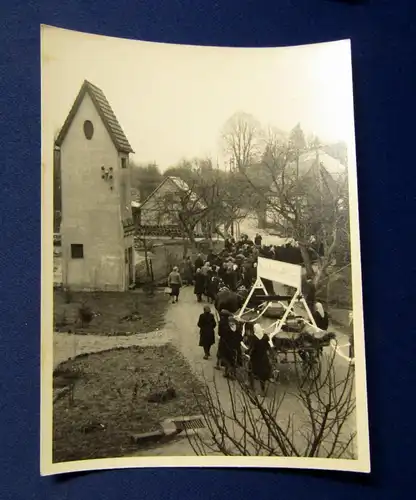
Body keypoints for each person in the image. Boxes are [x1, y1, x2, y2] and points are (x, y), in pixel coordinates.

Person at [247, 323, 272, 396]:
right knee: (262, 375)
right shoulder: (265, 338)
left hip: (255, 358)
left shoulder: (254, 338)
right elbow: (268, 347)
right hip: (264, 358)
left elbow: (252, 348)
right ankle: (263, 391)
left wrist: (248, 352)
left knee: (251, 370)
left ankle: (251, 386)